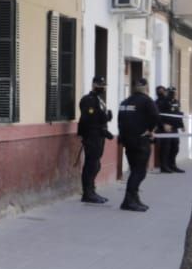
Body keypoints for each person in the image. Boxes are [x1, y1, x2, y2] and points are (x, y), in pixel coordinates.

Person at [116, 77, 160, 212]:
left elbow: (120, 121)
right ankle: (129, 201)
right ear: (146, 87)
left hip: (127, 141)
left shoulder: (125, 102)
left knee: (134, 170)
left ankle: (133, 199)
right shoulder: (147, 101)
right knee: (139, 172)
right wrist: (150, 130)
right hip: (141, 141)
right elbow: (155, 117)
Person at [76, 75, 113, 204]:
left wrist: (106, 117)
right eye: (100, 85)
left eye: (103, 86)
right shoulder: (88, 100)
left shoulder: (99, 99)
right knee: (91, 164)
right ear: (93, 85)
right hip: (92, 136)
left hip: (99, 135)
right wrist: (104, 117)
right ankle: (87, 193)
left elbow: (100, 116)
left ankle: (91, 190)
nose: (102, 88)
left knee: (96, 164)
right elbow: (89, 119)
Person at [156, 86, 184, 173]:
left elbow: (178, 113)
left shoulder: (176, 102)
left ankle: (172, 164)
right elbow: (157, 115)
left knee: (175, 146)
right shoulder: (162, 102)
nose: (173, 94)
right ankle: (164, 166)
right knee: (166, 147)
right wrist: (163, 124)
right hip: (165, 128)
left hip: (174, 127)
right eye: (171, 92)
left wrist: (182, 125)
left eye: (174, 92)